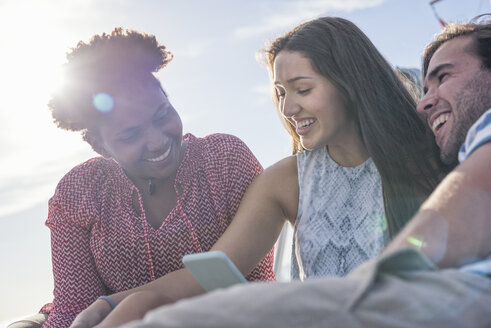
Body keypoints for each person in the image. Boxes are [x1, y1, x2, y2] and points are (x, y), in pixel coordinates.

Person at [72, 17, 444, 327]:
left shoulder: (436, 158)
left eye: (302, 89)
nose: (288, 108)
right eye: (281, 92)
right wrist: (110, 304)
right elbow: (206, 276)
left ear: (350, 83)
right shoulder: (285, 181)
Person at [7, 28, 276, 328]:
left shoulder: (225, 159)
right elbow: (75, 310)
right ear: (99, 146)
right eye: (131, 135)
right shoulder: (78, 192)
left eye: (162, 115)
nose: (158, 142)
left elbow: (253, 278)